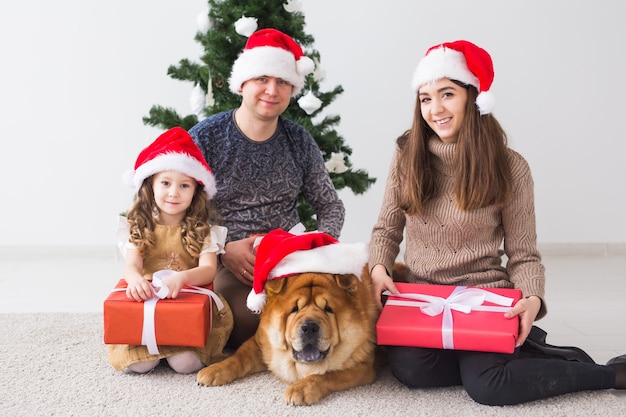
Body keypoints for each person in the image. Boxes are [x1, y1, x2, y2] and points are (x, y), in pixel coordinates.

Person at [368, 40, 626, 405]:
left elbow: (523, 254)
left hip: (484, 298)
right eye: (426, 98)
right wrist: (379, 266)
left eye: (447, 94)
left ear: (473, 98)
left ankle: (610, 373)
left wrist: (532, 298)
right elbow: (387, 228)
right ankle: (514, 352)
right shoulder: (406, 154)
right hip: (424, 297)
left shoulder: (511, 167)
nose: (435, 109)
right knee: (412, 372)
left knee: (489, 386)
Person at [189, 28, 345, 349]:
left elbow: (331, 206)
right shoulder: (206, 138)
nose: (272, 90)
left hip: (289, 260)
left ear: (292, 89)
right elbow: (177, 211)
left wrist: (313, 247)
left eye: (283, 82)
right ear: (243, 83)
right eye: (262, 79)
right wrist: (222, 250)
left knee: (337, 311)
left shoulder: (299, 141)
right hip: (232, 267)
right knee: (248, 319)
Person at [107, 126, 233, 374]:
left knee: (185, 364)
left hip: (188, 303)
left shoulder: (204, 230)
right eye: (165, 183)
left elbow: (208, 270)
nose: (174, 193)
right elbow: (132, 265)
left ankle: (175, 346)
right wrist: (134, 281)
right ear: (150, 185)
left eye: (184, 186)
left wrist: (183, 277)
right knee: (141, 365)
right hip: (148, 303)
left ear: (196, 190)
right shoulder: (139, 226)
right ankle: (155, 345)